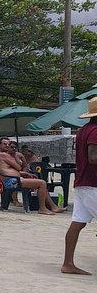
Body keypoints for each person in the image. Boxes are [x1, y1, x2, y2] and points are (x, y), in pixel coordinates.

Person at [62, 98, 97, 275]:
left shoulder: (84, 130)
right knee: (77, 223)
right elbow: (93, 157)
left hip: (82, 183)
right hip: (93, 184)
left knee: (77, 223)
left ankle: (68, 263)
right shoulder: (96, 130)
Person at [0, 137, 63, 216]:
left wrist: (23, 173)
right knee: (42, 183)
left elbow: (7, 169)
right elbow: (18, 167)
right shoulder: (3, 155)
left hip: (11, 179)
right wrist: (15, 156)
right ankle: (42, 208)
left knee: (42, 184)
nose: (7, 146)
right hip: (12, 182)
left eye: (8, 144)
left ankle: (54, 207)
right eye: (4, 144)